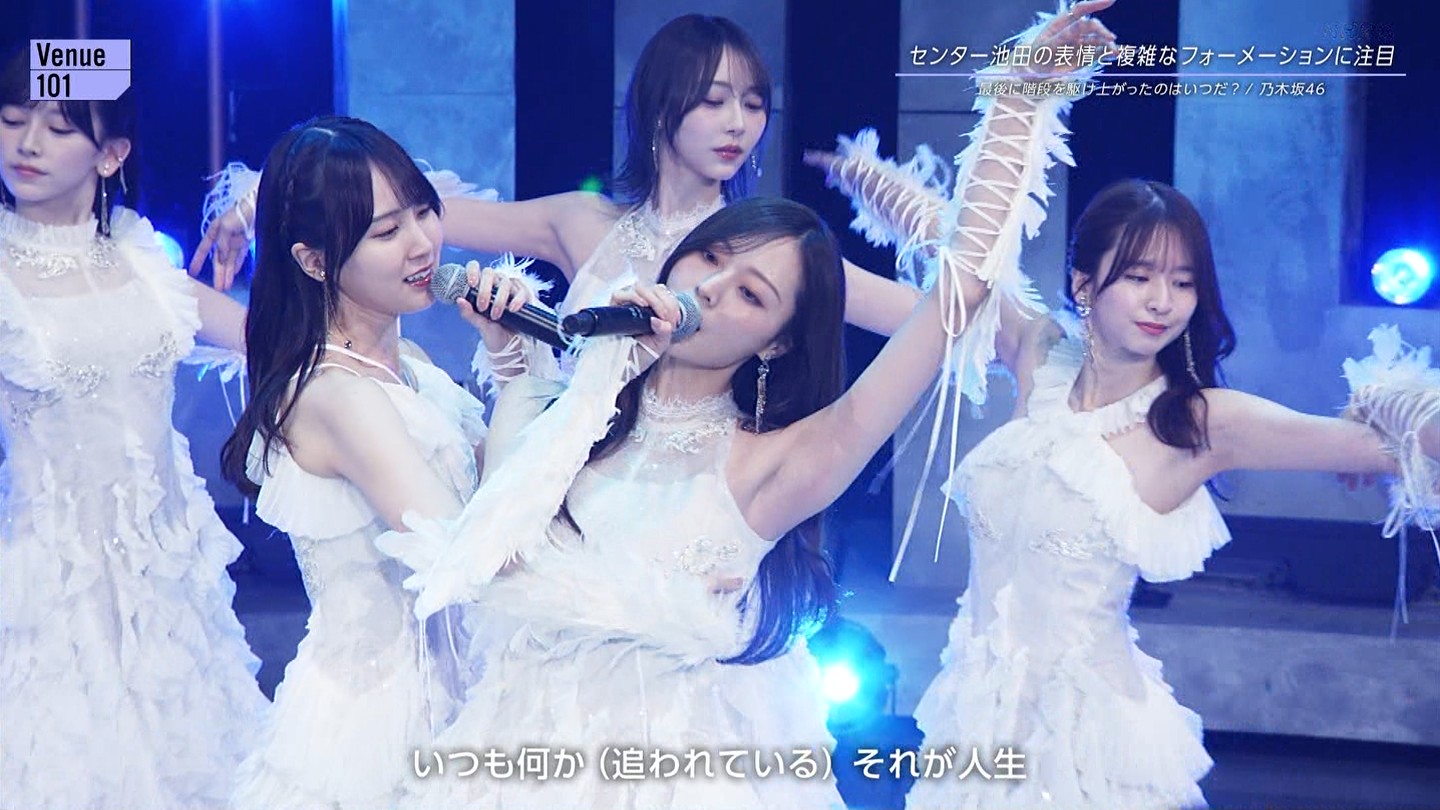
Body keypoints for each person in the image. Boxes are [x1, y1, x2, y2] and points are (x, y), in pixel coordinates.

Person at [373, 9, 1124, 808]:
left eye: (751, 295)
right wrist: (514, 357)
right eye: (708, 260)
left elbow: (952, 302)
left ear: (777, 340)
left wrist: (1015, 104)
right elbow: (494, 547)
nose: (711, 289)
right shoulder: (574, 424)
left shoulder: (779, 462)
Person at [820, 119, 1440, 810]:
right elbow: (954, 249)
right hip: (977, 718)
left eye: (1183, 282)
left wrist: (1383, 401)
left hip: (1093, 746)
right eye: (1139, 277)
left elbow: (1409, 442)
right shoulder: (1038, 353)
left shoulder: (1200, 420)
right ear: (1084, 284)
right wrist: (857, 176)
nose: (1162, 302)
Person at [191, 13, 922, 348]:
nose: (739, 123)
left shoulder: (770, 246)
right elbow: (405, 202)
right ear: (660, 109)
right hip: (577, 504)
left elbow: (924, 320)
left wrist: (925, 214)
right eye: (714, 100)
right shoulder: (582, 221)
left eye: (754, 104)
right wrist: (256, 199)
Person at [217, 115, 532, 810]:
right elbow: (471, 556)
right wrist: (517, 379)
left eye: (423, 212)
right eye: (387, 232)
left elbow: (509, 488)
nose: (422, 243)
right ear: (314, 261)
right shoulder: (337, 394)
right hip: (376, 729)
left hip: (457, 693)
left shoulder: (410, 365)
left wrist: (510, 352)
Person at [0, 49, 265, 809]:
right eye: (12, 120)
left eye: (58, 128)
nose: (27, 144)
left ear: (111, 154)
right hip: (51, 581)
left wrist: (250, 212)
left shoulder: (142, 256)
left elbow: (265, 340)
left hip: (166, 577)